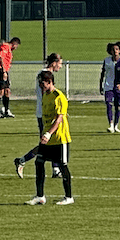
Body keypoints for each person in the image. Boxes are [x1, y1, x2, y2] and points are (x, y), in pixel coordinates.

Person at [28, 70, 75, 205]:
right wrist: (44, 133)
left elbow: (59, 119)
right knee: (39, 162)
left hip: (60, 139)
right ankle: (40, 196)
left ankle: (69, 197)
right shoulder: (45, 96)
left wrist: (49, 133)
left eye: (42, 83)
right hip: (47, 139)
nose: (40, 86)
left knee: (62, 166)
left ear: (49, 82)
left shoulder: (59, 97)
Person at [16, 53, 65, 179]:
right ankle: (22, 160)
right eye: (60, 63)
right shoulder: (44, 75)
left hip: (45, 112)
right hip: (45, 114)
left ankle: (55, 169)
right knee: (46, 143)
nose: (60, 66)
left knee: (53, 142)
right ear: (53, 63)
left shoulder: (45, 74)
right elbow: (45, 95)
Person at [100, 41, 120, 133]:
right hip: (108, 86)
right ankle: (111, 125)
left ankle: (116, 125)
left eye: (117, 49)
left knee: (117, 107)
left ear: (119, 51)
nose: (115, 51)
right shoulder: (107, 61)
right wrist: (100, 85)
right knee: (108, 104)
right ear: (110, 51)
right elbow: (102, 73)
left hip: (118, 87)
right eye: (113, 49)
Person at [0, 37, 21, 118]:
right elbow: (1, 58)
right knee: (1, 91)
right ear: (14, 43)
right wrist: (4, 71)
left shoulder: (9, 49)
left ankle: (6, 110)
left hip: (4, 71)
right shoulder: (5, 47)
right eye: (16, 46)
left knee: (7, 91)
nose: (16, 48)